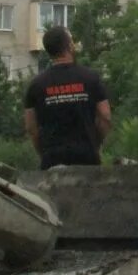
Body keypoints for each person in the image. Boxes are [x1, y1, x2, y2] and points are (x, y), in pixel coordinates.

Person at [23, 25, 111, 169]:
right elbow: (105, 117)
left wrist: (43, 153)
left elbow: (30, 127)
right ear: (70, 46)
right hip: (87, 158)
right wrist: (96, 144)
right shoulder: (91, 78)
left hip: (52, 159)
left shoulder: (36, 85)